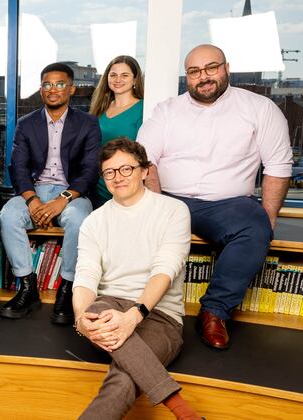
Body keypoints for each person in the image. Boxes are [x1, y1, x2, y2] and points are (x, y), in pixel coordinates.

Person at [138, 44, 293, 350]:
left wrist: (269, 216)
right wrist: (155, 205)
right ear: (187, 76)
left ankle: (214, 311)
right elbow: (145, 158)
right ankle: (140, 305)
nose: (203, 77)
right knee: (133, 220)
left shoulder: (260, 108)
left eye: (211, 67)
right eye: (195, 71)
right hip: (171, 198)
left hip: (229, 204)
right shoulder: (167, 110)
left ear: (226, 68)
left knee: (256, 226)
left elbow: (278, 164)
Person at [73, 139, 199, 420]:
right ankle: (185, 412)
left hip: (160, 316)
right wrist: (81, 318)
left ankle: (183, 412)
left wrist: (134, 315)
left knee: (124, 379)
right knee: (94, 311)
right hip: (108, 307)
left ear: (144, 171)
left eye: (126, 169)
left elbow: (165, 269)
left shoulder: (173, 211)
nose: (118, 178)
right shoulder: (94, 221)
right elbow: (86, 276)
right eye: (110, 172)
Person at [0, 62, 100, 324]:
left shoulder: (88, 123)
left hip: (72, 193)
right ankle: (27, 287)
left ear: (72, 89)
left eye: (60, 84)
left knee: (79, 221)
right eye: (47, 84)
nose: (53, 89)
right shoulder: (26, 123)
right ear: (41, 90)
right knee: (8, 217)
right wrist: (31, 200)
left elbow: (90, 170)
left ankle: (67, 289)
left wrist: (62, 200)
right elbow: (17, 166)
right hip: (34, 190)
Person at [89, 55, 144, 207]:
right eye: (113, 75)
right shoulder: (100, 108)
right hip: (97, 185)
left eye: (124, 75)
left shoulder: (143, 109)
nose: (118, 79)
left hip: (124, 184)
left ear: (135, 80)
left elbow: (144, 153)